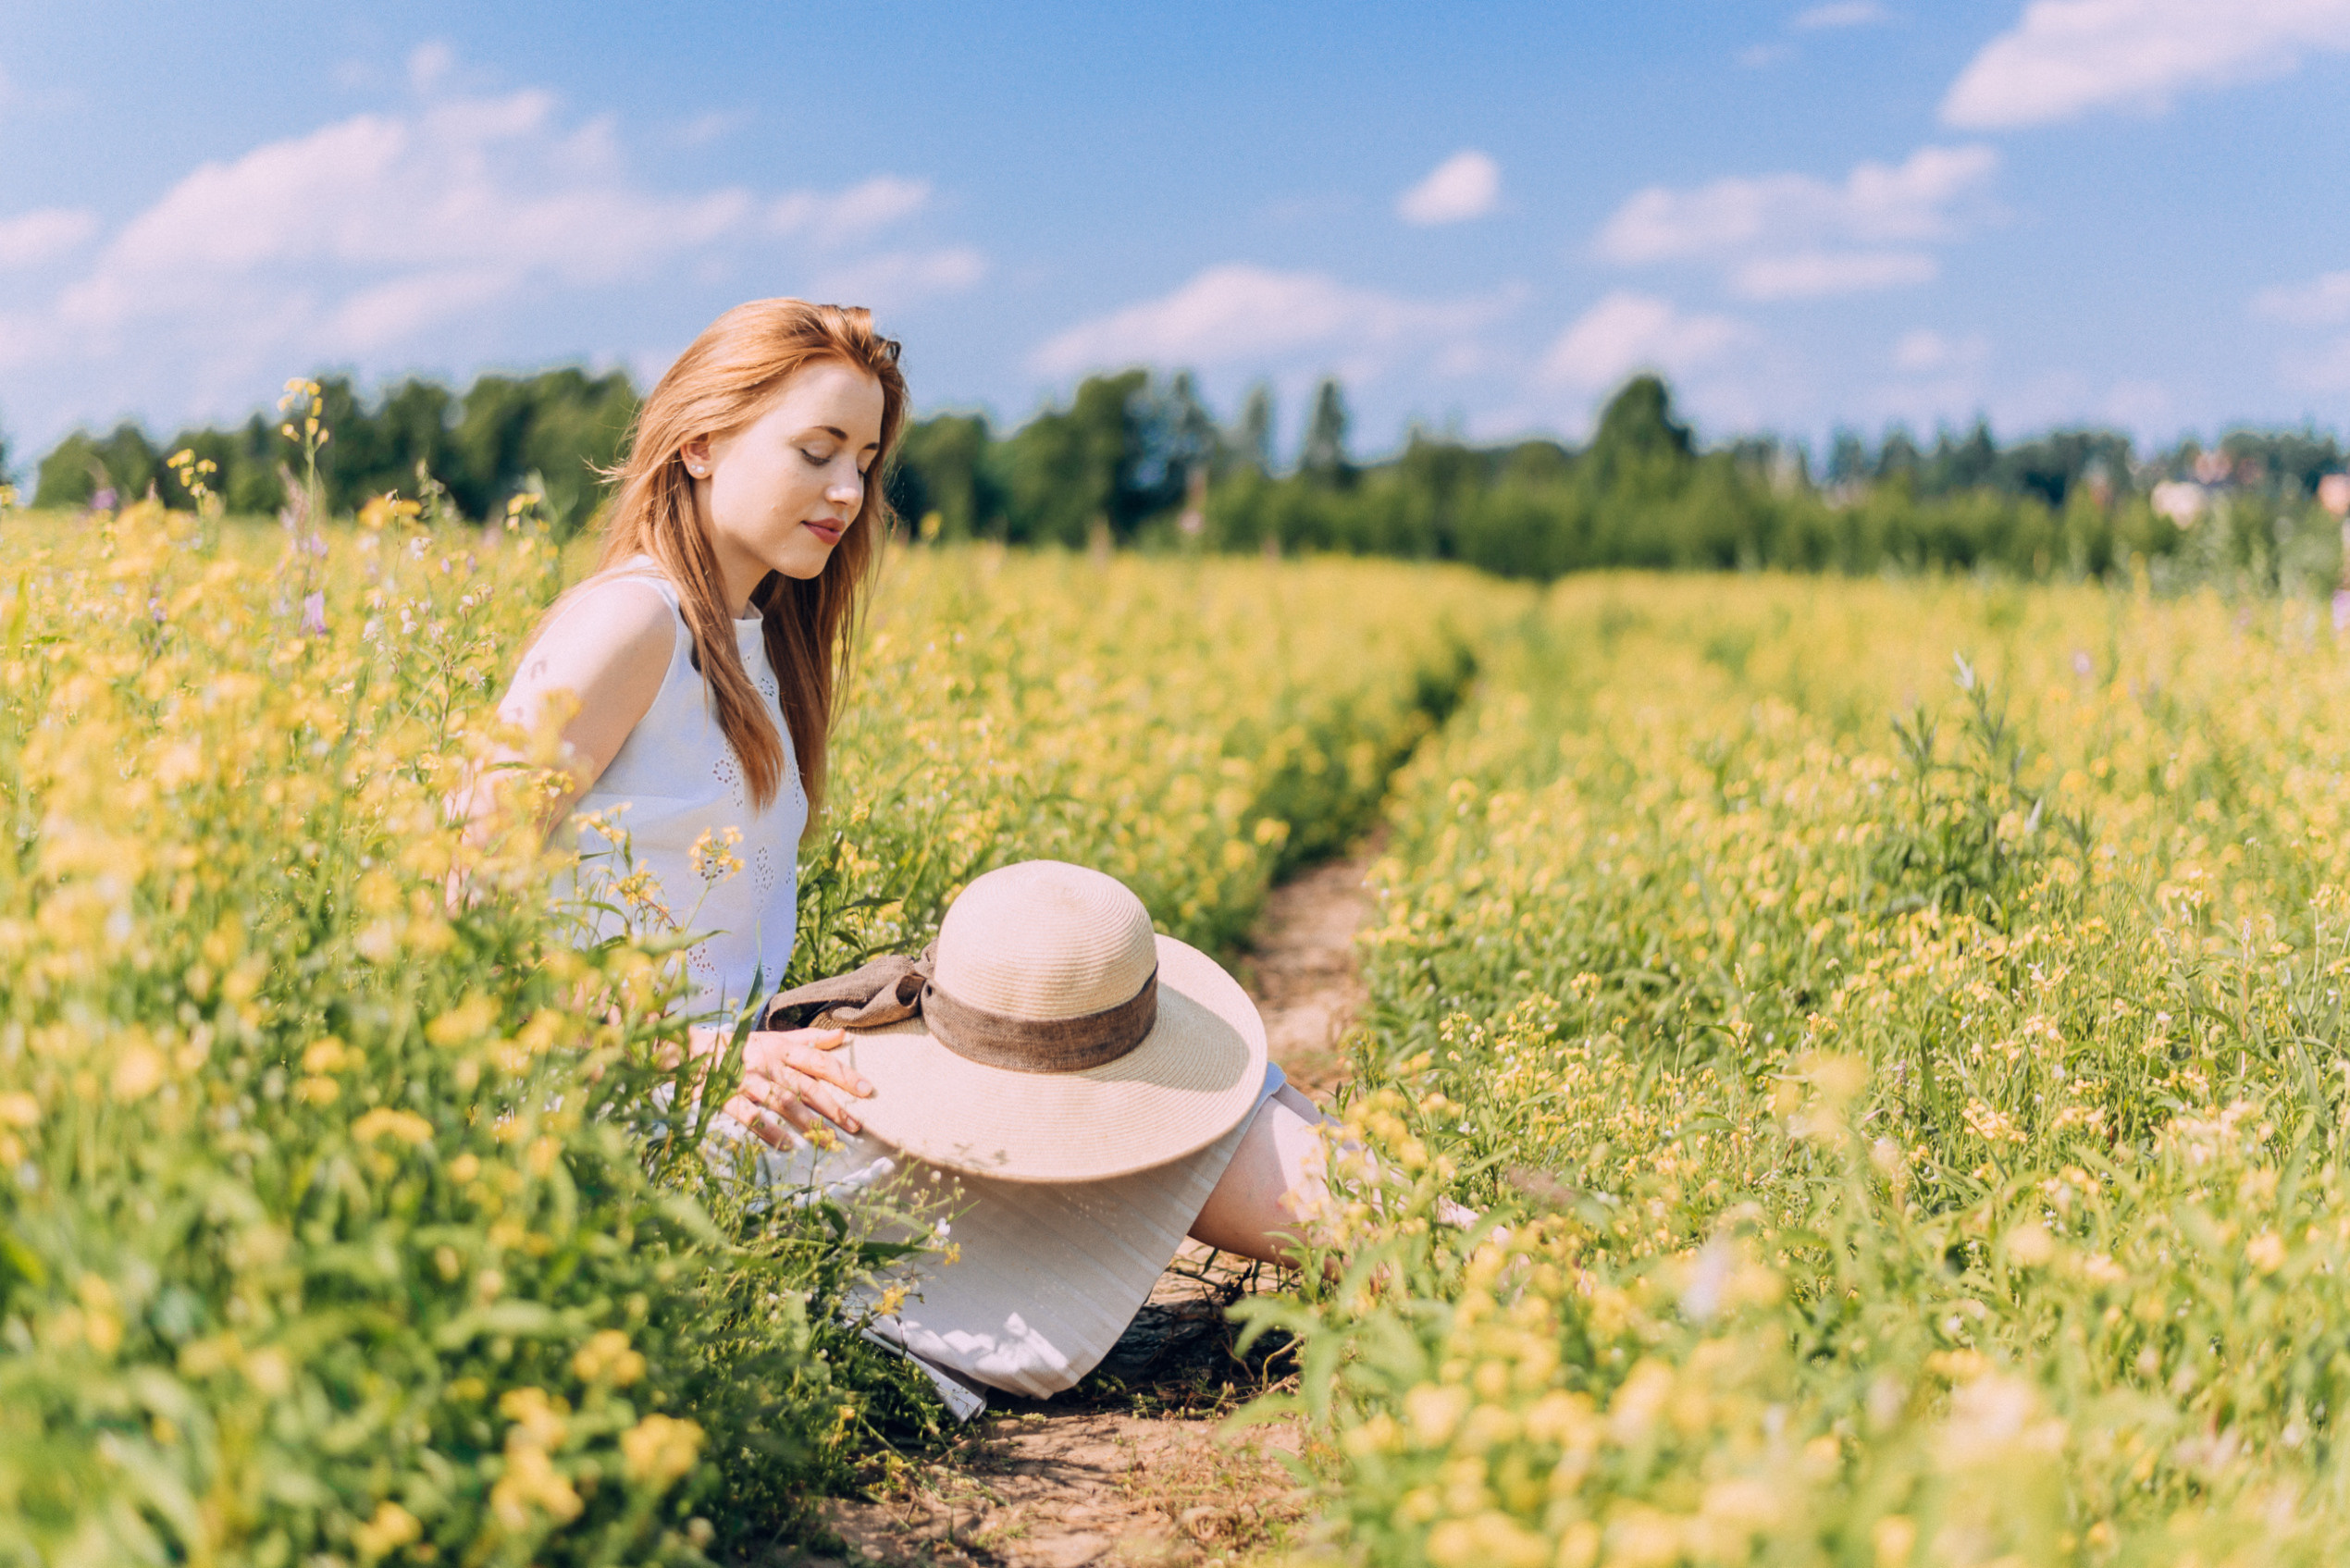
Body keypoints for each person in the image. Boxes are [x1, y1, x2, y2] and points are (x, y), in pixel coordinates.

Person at [467, 298, 1336, 1406]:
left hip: (734, 1081)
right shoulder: (628, 623)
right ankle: (1457, 1267)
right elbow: (459, 901)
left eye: (866, 462)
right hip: (631, 1113)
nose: (847, 492)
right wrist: (678, 1055)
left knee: (1090, 1046)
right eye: (815, 450)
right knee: (1122, 1113)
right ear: (697, 444)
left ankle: (1447, 1248)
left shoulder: (753, 638)